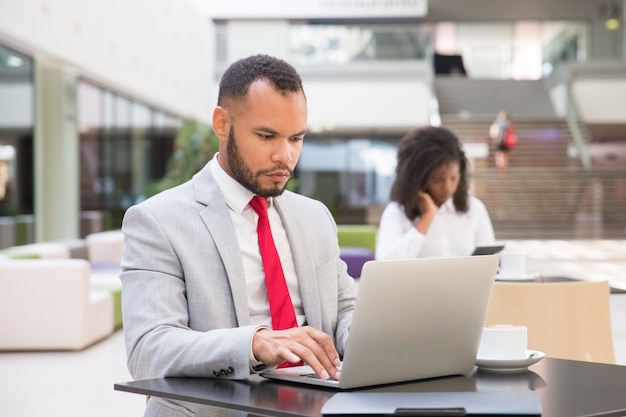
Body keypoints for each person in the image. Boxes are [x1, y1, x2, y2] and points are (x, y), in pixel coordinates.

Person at [120, 54, 357, 417]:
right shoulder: (157, 221)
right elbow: (148, 349)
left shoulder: (314, 217)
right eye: (266, 136)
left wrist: (360, 334)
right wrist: (255, 344)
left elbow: (343, 308)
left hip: (319, 404)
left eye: (296, 138)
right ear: (222, 123)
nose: (285, 155)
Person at [376, 126, 495, 260]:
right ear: (418, 179)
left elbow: (491, 261)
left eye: (453, 178)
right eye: (438, 180)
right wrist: (427, 217)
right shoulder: (396, 212)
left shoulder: (474, 209)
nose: (448, 188)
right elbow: (385, 263)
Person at [489, 111, 516, 177]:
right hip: (506, 143)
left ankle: (501, 172)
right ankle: (504, 172)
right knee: (505, 158)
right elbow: (512, 132)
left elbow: (492, 134)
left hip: (499, 142)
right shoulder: (509, 123)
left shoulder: (496, 124)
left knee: (499, 157)